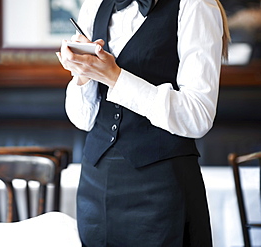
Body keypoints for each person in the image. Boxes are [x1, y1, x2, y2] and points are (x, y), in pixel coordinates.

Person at [56, 0, 230, 246]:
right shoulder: (94, 5)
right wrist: (83, 73)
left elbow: (198, 116)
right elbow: (82, 119)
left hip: (163, 189)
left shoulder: (196, 5)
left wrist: (115, 77)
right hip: (95, 187)